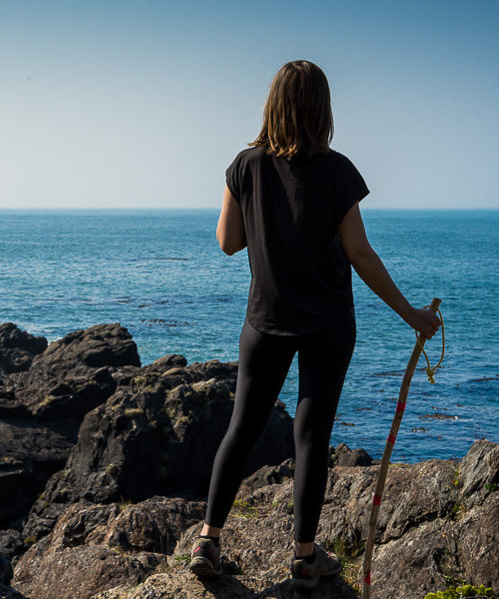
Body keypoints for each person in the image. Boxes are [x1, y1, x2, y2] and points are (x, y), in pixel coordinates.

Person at [188, 60, 440, 589]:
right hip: (327, 322)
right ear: (322, 109)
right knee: (312, 435)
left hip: (265, 319)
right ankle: (305, 557)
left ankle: (208, 541)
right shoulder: (337, 170)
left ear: (272, 103)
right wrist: (411, 315)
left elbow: (228, 241)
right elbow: (359, 253)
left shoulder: (244, 165)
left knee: (242, 427)